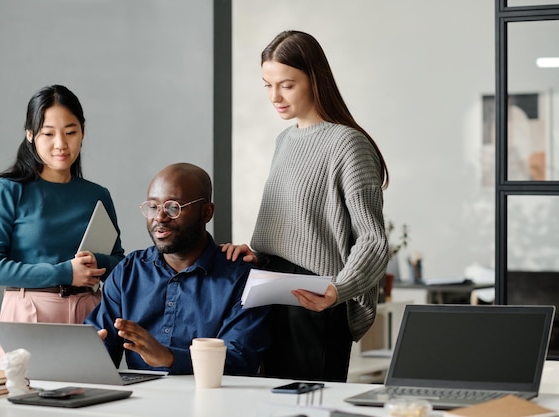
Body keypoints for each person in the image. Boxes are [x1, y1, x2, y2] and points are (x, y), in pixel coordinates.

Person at [222, 30, 389, 382]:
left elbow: (373, 240)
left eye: (286, 85)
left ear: (314, 79)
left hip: (316, 298)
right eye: (267, 85)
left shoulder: (348, 144)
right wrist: (256, 253)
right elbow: (295, 228)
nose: (274, 97)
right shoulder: (285, 140)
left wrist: (337, 290)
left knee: (310, 402)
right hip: (272, 290)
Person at [0, 84, 125, 358]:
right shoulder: (7, 190)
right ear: (30, 135)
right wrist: (65, 272)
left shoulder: (97, 195)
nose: (61, 144)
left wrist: (98, 263)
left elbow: (119, 263)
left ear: (83, 132)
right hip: (29, 313)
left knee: (98, 398)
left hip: (90, 312)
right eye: (48, 133)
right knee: (30, 396)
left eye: (70, 132)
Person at [84, 162, 270, 375]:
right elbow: (101, 342)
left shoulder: (242, 278)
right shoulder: (129, 271)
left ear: (206, 213)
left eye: (174, 207)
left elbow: (240, 360)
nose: (160, 218)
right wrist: (89, 351)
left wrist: (169, 357)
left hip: (213, 401)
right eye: (153, 207)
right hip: (138, 401)